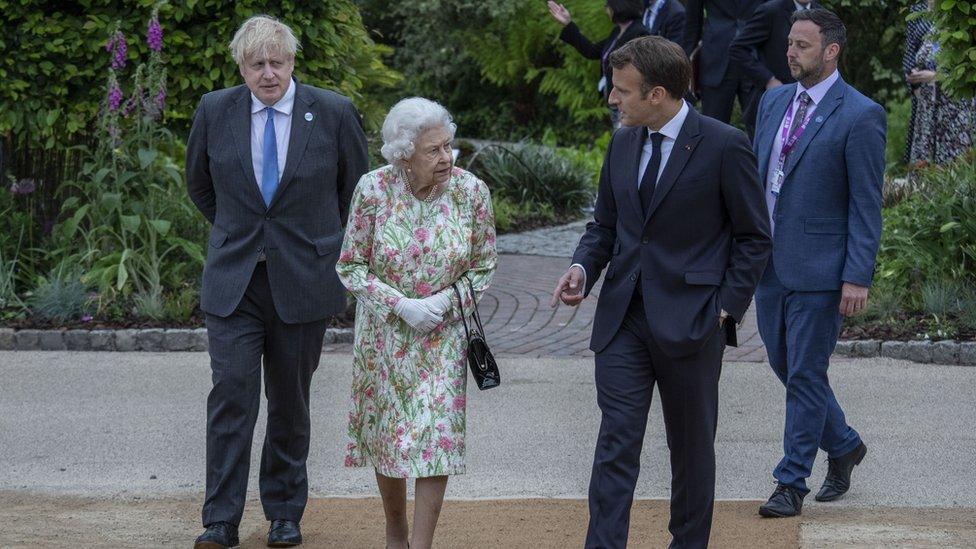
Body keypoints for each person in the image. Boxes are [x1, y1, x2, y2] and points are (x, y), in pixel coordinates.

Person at [551, 36, 771, 548]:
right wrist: (583, 269)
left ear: (657, 94)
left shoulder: (723, 144)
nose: (612, 99)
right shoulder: (623, 141)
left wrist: (725, 309)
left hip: (694, 322)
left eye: (622, 91)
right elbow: (605, 225)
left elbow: (755, 237)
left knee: (691, 451)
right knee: (615, 444)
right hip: (623, 319)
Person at [185, 15, 369, 549]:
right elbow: (199, 183)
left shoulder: (331, 112)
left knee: (290, 401)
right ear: (241, 67)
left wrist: (320, 243)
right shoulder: (214, 110)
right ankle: (220, 519)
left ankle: (285, 513)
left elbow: (355, 193)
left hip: (304, 278)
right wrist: (241, 232)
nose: (269, 73)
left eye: (278, 62)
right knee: (232, 397)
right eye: (256, 63)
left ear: (292, 62)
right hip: (235, 280)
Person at [336, 97, 497, 549]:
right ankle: (395, 532)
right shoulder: (373, 190)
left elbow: (484, 265)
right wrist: (400, 305)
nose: (446, 158)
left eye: (449, 147)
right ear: (403, 154)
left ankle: (420, 545)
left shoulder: (471, 192)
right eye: (434, 151)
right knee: (389, 433)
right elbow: (350, 266)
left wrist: (446, 301)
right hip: (385, 333)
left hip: (444, 333)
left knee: (437, 433)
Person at [751, 8, 885, 518]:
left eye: (802, 45)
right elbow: (758, 177)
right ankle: (845, 443)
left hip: (821, 268)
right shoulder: (773, 101)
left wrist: (857, 274)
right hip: (767, 265)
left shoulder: (861, 113)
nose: (790, 52)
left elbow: (865, 203)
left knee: (806, 373)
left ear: (831, 51)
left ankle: (791, 482)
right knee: (786, 366)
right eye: (789, 43)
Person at [548, 0, 651, 127]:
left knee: (624, 140)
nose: (606, 11)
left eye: (608, 7)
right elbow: (592, 51)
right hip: (615, 99)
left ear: (618, 7)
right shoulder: (617, 32)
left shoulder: (639, 32)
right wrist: (568, 24)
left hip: (627, 101)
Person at [903, 0, 975, 180]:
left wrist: (936, 77)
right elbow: (912, 54)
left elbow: (968, 70)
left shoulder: (963, 17)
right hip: (927, 106)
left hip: (955, 106)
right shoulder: (924, 19)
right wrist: (914, 81)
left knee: (953, 162)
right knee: (924, 162)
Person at [729, 0, 818, 137]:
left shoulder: (821, 14)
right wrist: (768, 79)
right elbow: (738, 49)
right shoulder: (771, 10)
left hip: (809, 100)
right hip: (774, 100)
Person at [682, 0, 763, 126]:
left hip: (756, 56)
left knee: (760, 126)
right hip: (715, 58)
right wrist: (685, 61)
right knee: (713, 127)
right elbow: (692, 22)